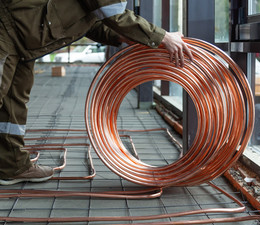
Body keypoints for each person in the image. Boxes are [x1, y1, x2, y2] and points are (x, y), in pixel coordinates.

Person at [0, 0, 193, 185]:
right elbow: (113, 12)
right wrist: (163, 37)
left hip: (23, 38)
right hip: (8, 28)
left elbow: (89, 20)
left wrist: (119, 36)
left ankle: (12, 165)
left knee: (13, 104)